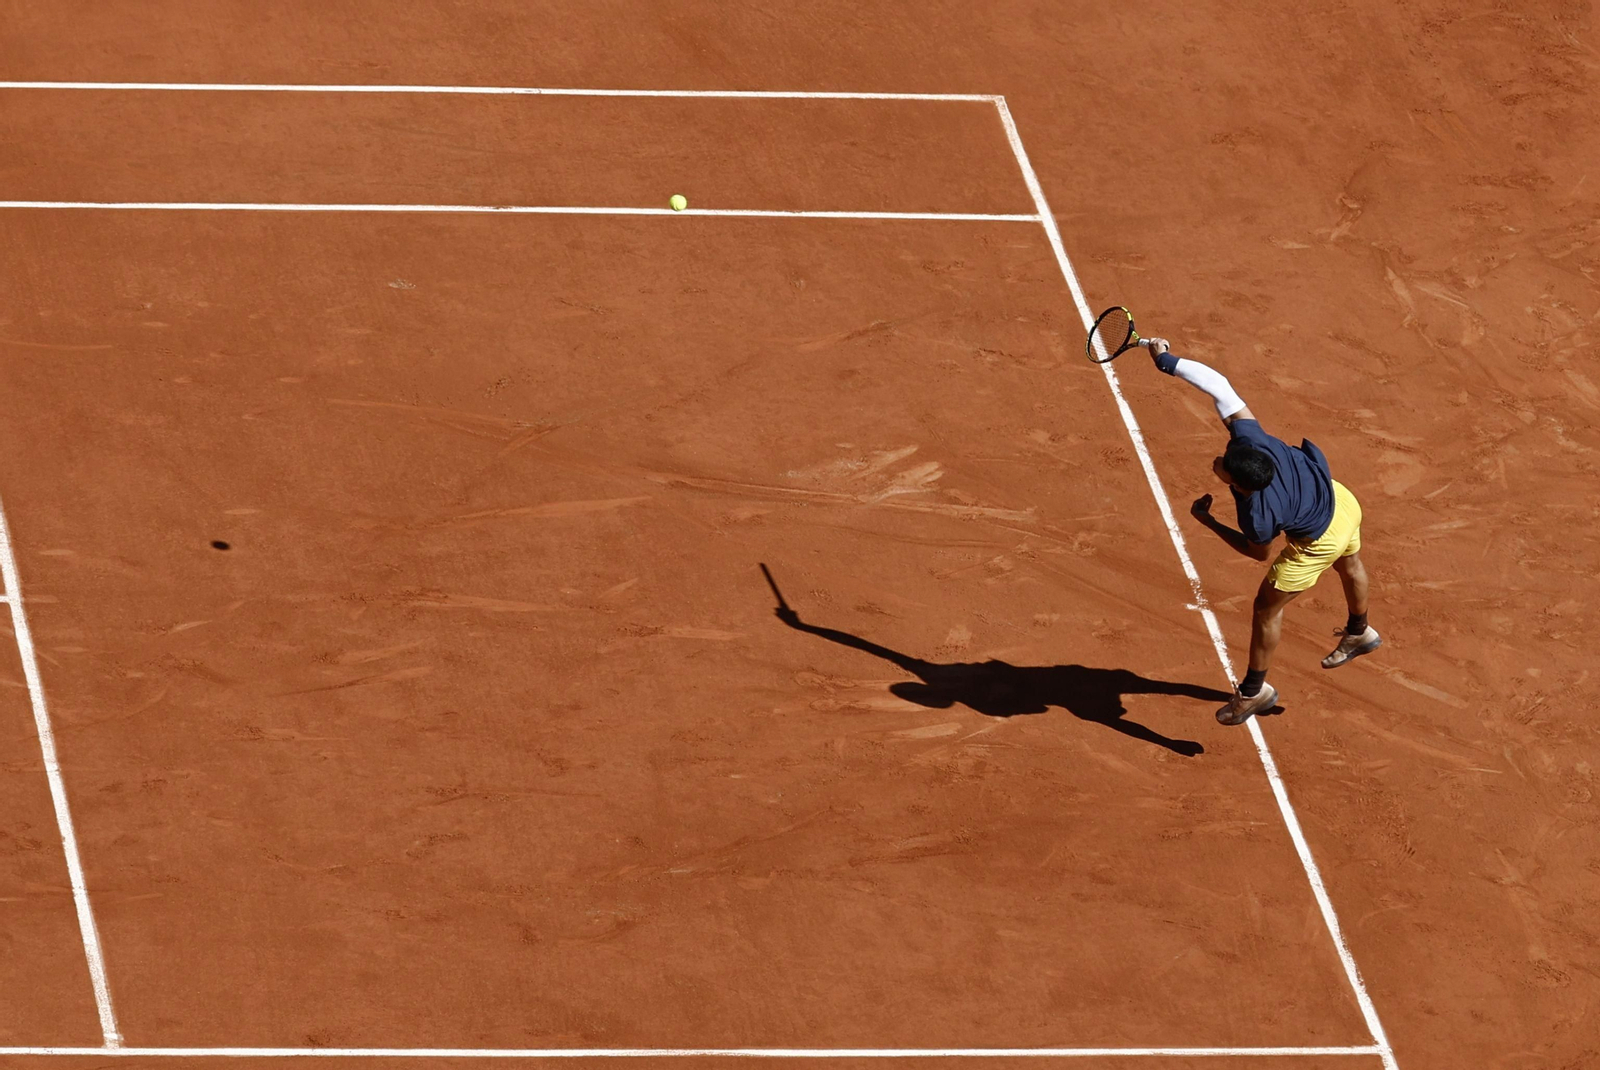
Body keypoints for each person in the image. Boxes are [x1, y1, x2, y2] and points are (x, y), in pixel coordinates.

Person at [1141, 337, 1382, 725]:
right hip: (1342, 502)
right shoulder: (1252, 443)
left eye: (1223, 465)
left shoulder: (1256, 512)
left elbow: (1259, 552)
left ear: (1238, 485)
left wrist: (1210, 522)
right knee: (1351, 564)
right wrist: (1166, 361)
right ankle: (1360, 631)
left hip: (1319, 540)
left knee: (1266, 609)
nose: (1219, 459)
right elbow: (1218, 385)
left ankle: (1255, 692)